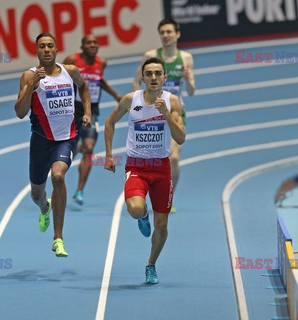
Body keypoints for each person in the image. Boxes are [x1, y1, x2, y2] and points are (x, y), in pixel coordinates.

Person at [104, 57, 185, 284]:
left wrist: (166, 114)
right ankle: (144, 215)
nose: (153, 77)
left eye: (158, 73)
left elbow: (181, 138)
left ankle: (151, 264)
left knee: (162, 226)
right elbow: (109, 122)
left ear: (164, 78)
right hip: (137, 166)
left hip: (161, 169)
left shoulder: (173, 102)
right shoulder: (131, 100)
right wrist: (109, 154)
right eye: (148, 73)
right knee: (135, 208)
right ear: (142, 77)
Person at [14, 32, 91, 257]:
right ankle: (44, 209)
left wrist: (86, 112)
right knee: (36, 194)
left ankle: (58, 238)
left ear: (56, 50)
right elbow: (19, 113)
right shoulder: (29, 76)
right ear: (36, 52)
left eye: (50, 46)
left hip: (66, 138)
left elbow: (84, 88)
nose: (46, 49)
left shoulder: (71, 71)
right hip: (40, 141)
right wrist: (32, 87)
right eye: (42, 47)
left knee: (58, 176)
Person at [132, 18, 195, 213]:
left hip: (176, 113)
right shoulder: (150, 56)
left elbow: (191, 91)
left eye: (169, 32)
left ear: (177, 34)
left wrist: (188, 79)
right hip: (152, 113)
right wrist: (139, 105)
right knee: (153, 155)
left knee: (173, 158)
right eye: (162, 32)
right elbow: (136, 82)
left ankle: (169, 195)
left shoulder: (185, 58)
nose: (166, 36)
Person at [62, 35, 122, 206]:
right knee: (69, 148)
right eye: (88, 43)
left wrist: (115, 94)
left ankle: (80, 190)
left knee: (89, 148)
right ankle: (75, 147)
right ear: (82, 46)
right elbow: (60, 77)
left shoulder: (101, 63)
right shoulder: (72, 60)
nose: (92, 45)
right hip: (72, 110)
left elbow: (99, 81)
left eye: (95, 43)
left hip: (91, 110)